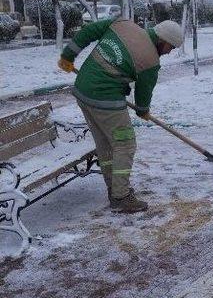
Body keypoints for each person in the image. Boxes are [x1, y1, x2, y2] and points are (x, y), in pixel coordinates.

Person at [57, 19, 183, 213]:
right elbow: (143, 94)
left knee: (106, 144)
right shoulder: (150, 61)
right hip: (105, 100)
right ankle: (121, 196)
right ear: (163, 40)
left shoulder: (122, 23)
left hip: (82, 91)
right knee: (125, 144)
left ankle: (114, 189)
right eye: (170, 47)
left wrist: (68, 55)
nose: (169, 52)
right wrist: (143, 110)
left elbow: (88, 31)